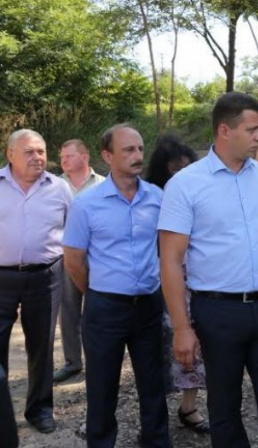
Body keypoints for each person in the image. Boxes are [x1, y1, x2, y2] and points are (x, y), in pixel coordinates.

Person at [158, 91, 258, 448]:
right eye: (253, 129)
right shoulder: (185, 184)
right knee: (224, 408)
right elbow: (170, 261)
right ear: (225, 130)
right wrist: (181, 328)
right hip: (217, 312)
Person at [63, 124, 170, 447]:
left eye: (139, 149)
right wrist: (97, 293)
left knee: (153, 382)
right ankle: (101, 442)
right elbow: (73, 260)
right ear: (107, 156)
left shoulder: (157, 197)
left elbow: (166, 249)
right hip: (105, 307)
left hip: (149, 305)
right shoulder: (86, 204)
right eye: (128, 150)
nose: (138, 156)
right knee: (102, 384)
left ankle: (156, 442)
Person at [0, 129, 72, 434]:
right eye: (29, 152)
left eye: (41, 151)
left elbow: (75, 230)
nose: (37, 157)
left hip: (45, 276)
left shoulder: (60, 188)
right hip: (1, 278)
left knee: (42, 345)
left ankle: (40, 409)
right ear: (10, 155)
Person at [145, 134, 209, 435]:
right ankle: (153, 416)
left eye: (185, 168)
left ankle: (188, 406)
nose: (180, 175)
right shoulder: (149, 198)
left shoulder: (201, 192)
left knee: (193, 344)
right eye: (174, 169)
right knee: (157, 351)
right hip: (155, 282)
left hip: (195, 280)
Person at [53, 139, 105, 383]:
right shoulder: (54, 185)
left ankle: (101, 357)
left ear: (84, 157)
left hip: (98, 256)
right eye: (62, 157)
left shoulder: (103, 184)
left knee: (99, 308)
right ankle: (73, 362)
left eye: (68, 156)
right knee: (69, 310)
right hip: (67, 256)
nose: (63, 161)